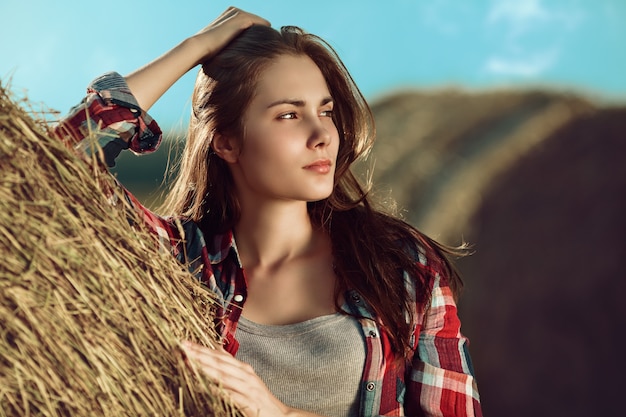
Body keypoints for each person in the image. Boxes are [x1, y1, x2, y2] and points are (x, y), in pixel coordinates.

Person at [56, 7, 482, 417]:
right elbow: (51, 166)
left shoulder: (401, 266)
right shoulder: (176, 261)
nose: (321, 136)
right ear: (226, 142)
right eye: (289, 114)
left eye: (326, 112)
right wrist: (196, 48)